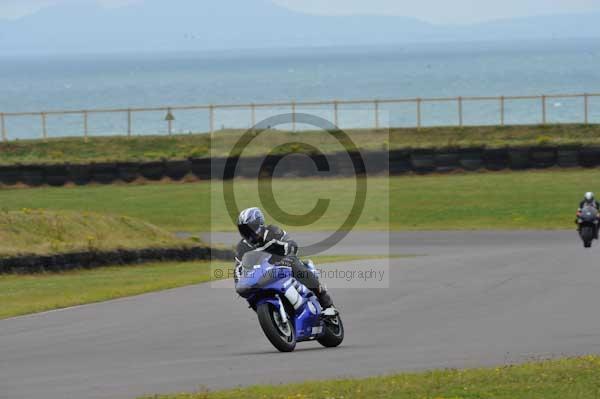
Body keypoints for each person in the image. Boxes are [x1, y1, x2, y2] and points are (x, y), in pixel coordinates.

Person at [234, 207, 337, 317]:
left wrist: (288, 253)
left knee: (294, 263)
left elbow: (290, 244)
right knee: (248, 291)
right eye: (244, 230)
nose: (249, 232)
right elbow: (239, 268)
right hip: (263, 274)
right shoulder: (242, 247)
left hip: (282, 264)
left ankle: (326, 303)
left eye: (251, 228)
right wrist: (239, 283)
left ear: (260, 223)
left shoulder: (272, 231)